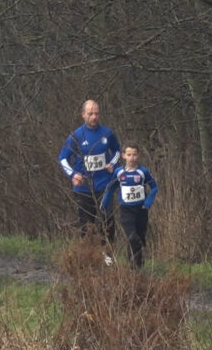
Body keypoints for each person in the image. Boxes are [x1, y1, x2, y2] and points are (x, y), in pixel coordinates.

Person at [57, 100, 121, 254]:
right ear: (83, 115)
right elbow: (63, 158)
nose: (94, 117)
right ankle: (89, 257)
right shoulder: (76, 135)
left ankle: (108, 257)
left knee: (108, 222)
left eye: (97, 113)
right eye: (90, 114)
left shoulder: (107, 133)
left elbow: (118, 151)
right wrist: (73, 174)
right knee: (87, 225)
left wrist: (112, 163)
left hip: (104, 185)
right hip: (84, 187)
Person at [102, 145, 158, 269]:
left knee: (140, 239)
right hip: (126, 210)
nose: (131, 158)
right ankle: (134, 267)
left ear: (138, 156)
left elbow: (154, 187)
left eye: (134, 155)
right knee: (132, 237)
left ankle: (136, 266)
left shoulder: (143, 172)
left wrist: (148, 203)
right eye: (129, 155)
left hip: (141, 210)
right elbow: (111, 188)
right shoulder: (119, 172)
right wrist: (104, 204)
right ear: (123, 156)